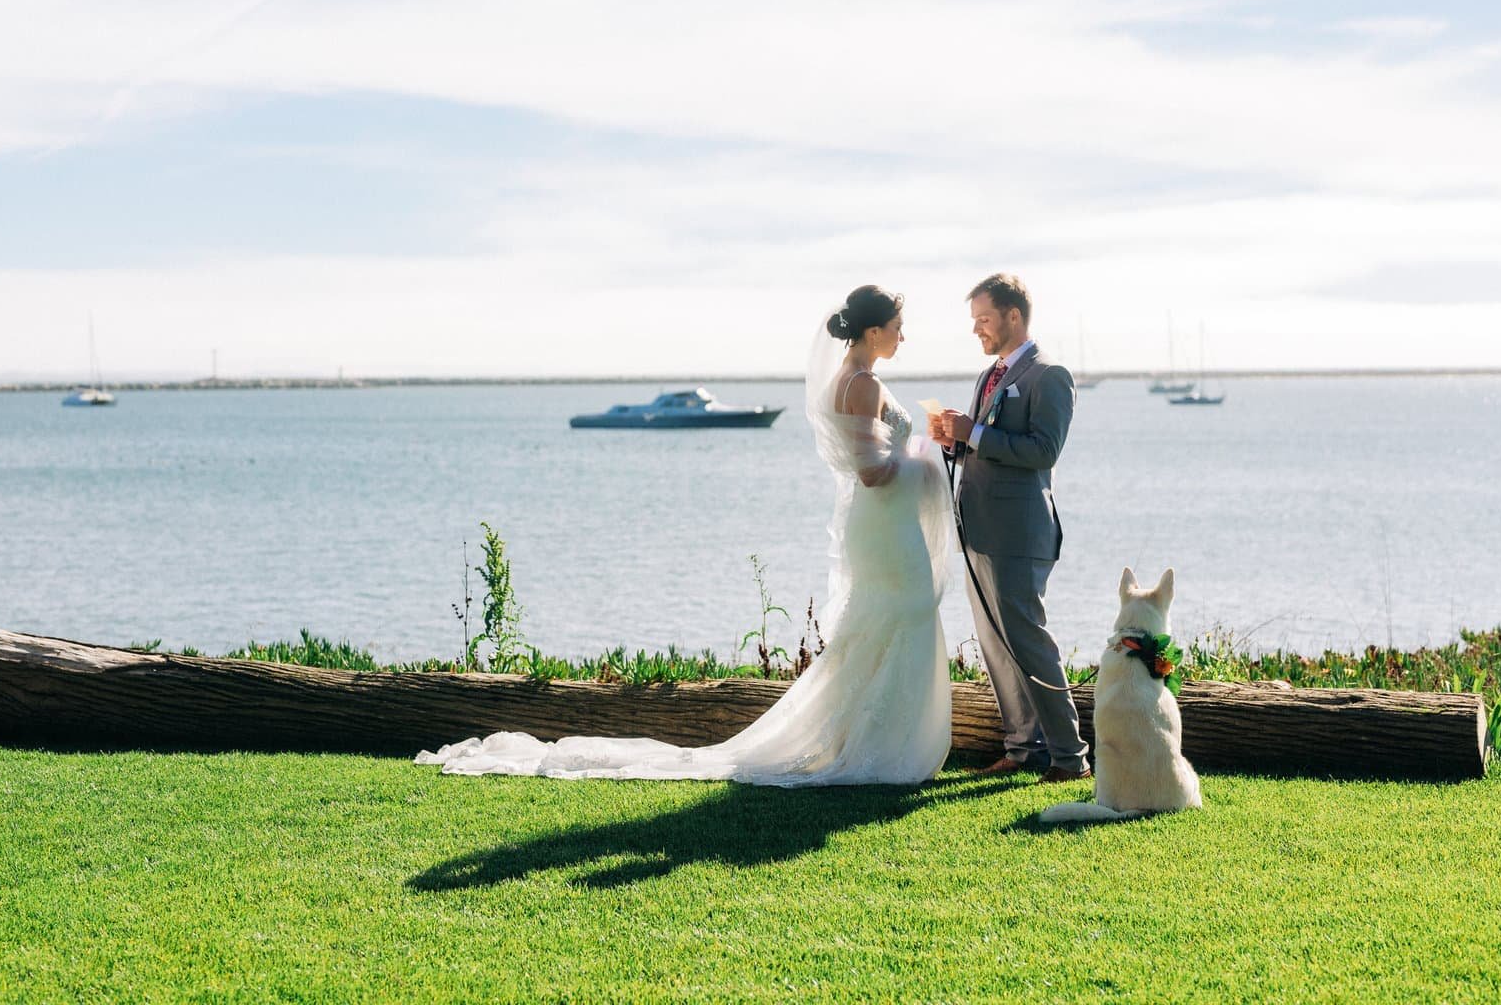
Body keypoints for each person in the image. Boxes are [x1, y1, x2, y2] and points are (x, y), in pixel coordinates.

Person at [416, 284, 955, 784]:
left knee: (880, 624)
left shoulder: (850, 379)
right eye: (898, 326)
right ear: (873, 330)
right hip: (885, 522)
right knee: (897, 618)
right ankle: (880, 747)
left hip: (879, 522)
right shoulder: (863, 384)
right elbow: (873, 472)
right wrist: (925, 460)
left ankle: (865, 739)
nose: (903, 336)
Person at [928, 273, 1089, 781]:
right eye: (974, 320)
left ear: (1014, 316)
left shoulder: (1051, 375)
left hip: (1020, 534)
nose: (977, 329)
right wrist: (953, 439)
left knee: (1030, 642)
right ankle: (1023, 748)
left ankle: (1070, 758)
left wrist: (972, 431)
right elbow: (983, 445)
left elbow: (1044, 451)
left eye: (984, 319)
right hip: (978, 529)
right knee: (995, 644)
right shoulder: (988, 377)